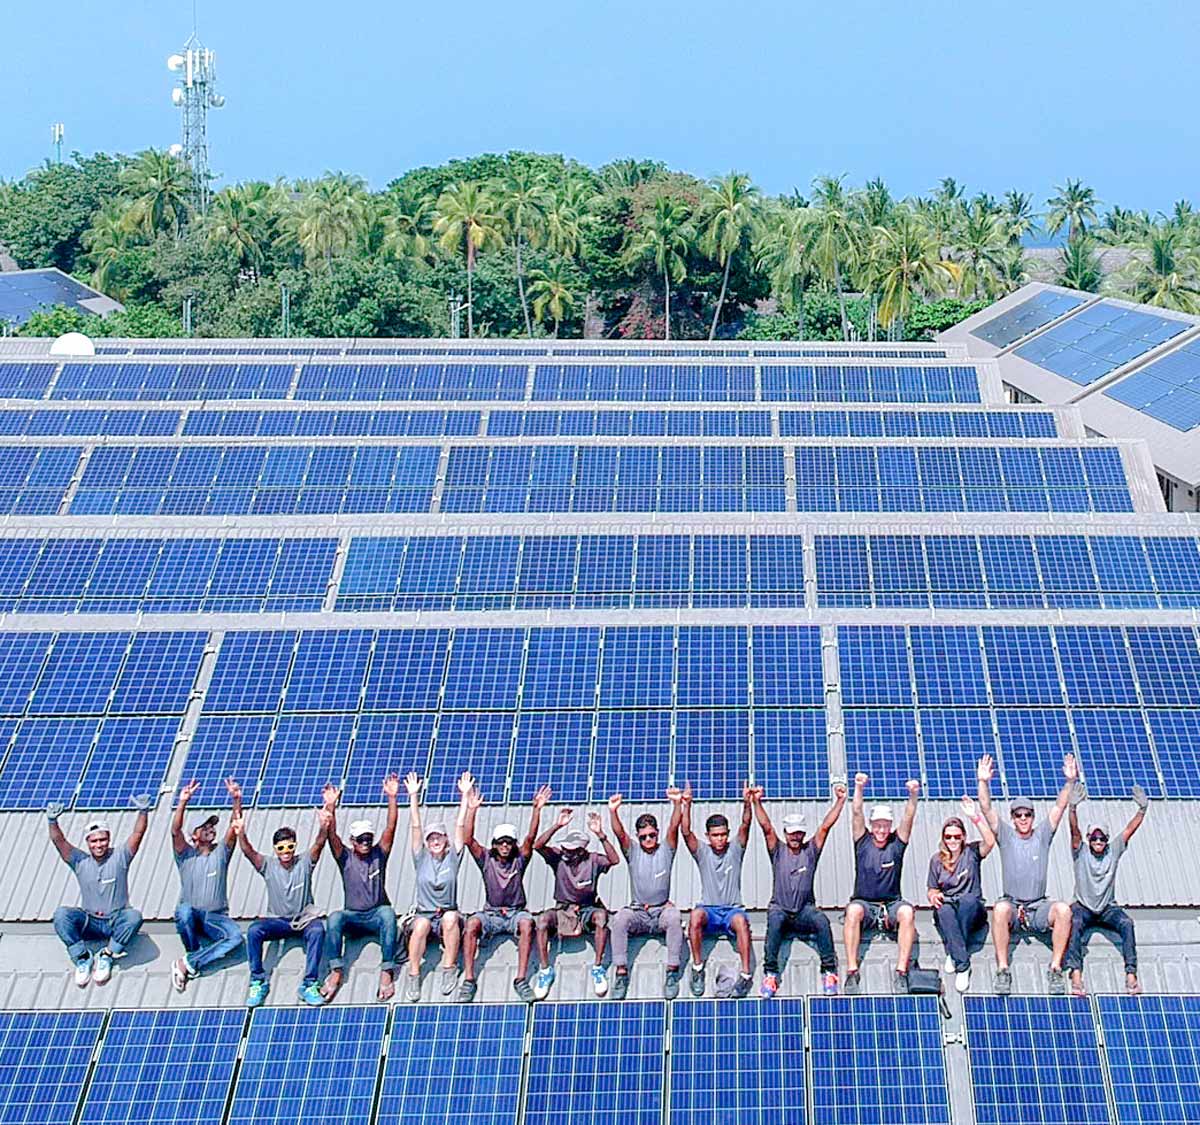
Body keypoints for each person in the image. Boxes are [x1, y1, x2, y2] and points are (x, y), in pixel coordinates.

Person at [978, 752, 1076, 995]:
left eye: (1028, 814)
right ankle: (1002, 969)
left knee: (1064, 910)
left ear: (1033, 817)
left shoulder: (1043, 834)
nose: (1023, 818)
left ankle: (1055, 969)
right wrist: (983, 782)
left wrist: (1070, 782)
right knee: (999, 909)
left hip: (1039, 906)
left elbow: (1060, 806)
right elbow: (986, 808)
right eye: (1018, 815)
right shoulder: (1006, 835)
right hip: (1012, 905)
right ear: (1012, 818)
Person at [236, 792, 331, 1008]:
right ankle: (258, 980)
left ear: (295, 847)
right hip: (278, 921)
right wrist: (240, 832)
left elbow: (319, 843)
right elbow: (247, 851)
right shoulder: (268, 865)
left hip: (304, 920)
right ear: (275, 850)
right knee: (253, 931)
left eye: (290, 847)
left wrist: (325, 823)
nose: (286, 852)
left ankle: (309, 983)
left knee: (318, 930)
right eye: (281, 848)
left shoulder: (305, 862)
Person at [457, 784, 550, 1003]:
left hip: (516, 913)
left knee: (528, 924)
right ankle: (469, 979)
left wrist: (537, 809)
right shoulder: (486, 859)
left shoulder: (520, 860)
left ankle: (520, 979)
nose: (505, 846)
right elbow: (468, 840)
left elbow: (530, 838)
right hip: (491, 913)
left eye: (509, 842)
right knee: (471, 925)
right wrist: (472, 809)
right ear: (495, 844)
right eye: (501, 842)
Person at [753, 783, 846, 999]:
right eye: (791, 834)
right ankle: (770, 973)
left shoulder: (811, 851)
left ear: (803, 834)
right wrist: (756, 801)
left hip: (804, 910)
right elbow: (766, 827)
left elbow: (825, 827)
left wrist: (840, 801)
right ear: (786, 833)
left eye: (798, 834)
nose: (795, 837)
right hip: (781, 909)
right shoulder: (778, 850)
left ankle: (829, 970)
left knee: (822, 921)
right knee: (774, 922)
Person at [48, 794, 149, 987]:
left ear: (109, 839)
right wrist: (52, 821)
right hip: (89, 921)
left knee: (134, 916)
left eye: (102, 840)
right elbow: (59, 841)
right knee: (61, 914)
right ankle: (82, 957)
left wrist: (143, 812)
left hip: (115, 920)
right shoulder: (80, 861)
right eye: (93, 841)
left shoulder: (120, 857)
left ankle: (107, 955)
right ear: (87, 842)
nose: (98, 845)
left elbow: (138, 834)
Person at [319, 777, 400, 1003]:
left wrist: (392, 797)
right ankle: (336, 970)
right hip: (353, 916)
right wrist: (331, 807)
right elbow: (331, 835)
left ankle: (387, 971)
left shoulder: (379, 854)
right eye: (361, 839)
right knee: (334, 917)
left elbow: (391, 827)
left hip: (375, 914)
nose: (365, 843)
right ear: (352, 841)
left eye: (368, 839)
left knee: (388, 914)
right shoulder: (344, 857)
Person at [1065, 782, 1147, 997]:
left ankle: (1131, 975)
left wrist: (1142, 810)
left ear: (1107, 840)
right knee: (1072, 923)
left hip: (1108, 908)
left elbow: (1129, 830)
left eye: (1102, 838)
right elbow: (1074, 831)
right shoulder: (1080, 852)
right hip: (1083, 906)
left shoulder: (1114, 850)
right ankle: (1076, 975)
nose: (1098, 841)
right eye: (1094, 838)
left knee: (1127, 924)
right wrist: (1072, 809)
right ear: (1089, 839)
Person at [401, 769, 473, 1002]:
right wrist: (413, 796)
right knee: (420, 925)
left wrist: (465, 796)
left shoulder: (454, 857)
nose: (435, 841)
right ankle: (414, 973)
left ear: (445, 841)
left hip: (447, 913)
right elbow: (415, 827)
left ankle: (449, 967)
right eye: (431, 838)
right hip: (424, 913)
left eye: (439, 837)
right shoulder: (420, 857)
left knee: (451, 920)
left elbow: (460, 826)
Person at [843, 773, 919, 994]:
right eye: (877, 825)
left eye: (885, 826)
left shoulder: (897, 843)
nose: (881, 830)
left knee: (907, 912)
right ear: (871, 825)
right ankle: (851, 972)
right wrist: (859, 787)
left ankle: (901, 972)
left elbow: (908, 818)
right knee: (852, 911)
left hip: (891, 904)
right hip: (864, 903)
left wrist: (913, 795)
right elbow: (856, 812)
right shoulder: (862, 841)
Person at [532, 807, 618, 1000]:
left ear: (581, 851)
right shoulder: (558, 859)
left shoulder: (593, 860)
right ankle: (545, 970)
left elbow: (614, 860)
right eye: (565, 849)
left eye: (571, 850)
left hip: (587, 910)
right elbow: (537, 846)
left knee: (602, 917)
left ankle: (597, 968)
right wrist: (557, 825)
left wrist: (600, 834)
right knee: (543, 920)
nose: (566, 853)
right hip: (563, 909)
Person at [608, 787, 685, 1000]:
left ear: (657, 833)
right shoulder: (633, 852)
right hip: (639, 912)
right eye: (643, 837)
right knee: (620, 919)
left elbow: (674, 826)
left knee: (674, 917)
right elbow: (619, 834)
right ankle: (621, 972)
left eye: (652, 835)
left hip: (661, 912)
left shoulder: (667, 849)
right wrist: (613, 812)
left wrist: (678, 804)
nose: (648, 839)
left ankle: (672, 971)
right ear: (638, 837)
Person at [170, 778, 244, 992]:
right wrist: (183, 802)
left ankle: (189, 962)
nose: (210, 829)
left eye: (212, 826)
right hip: (192, 915)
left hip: (216, 916)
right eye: (204, 827)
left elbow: (234, 827)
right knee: (183, 911)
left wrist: (236, 799)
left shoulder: (221, 853)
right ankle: (194, 954)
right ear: (194, 835)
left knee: (236, 937)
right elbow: (175, 831)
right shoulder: (185, 855)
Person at [683, 783, 754, 999]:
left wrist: (747, 803)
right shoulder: (703, 852)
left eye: (723, 834)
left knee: (742, 922)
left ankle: (745, 974)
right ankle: (697, 968)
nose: (720, 839)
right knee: (695, 917)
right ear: (708, 835)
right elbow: (685, 832)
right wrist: (686, 805)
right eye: (715, 835)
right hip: (710, 910)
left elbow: (746, 824)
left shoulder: (735, 849)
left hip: (732, 910)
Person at [927, 795, 995, 994]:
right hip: (950, 907)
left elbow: (990, 841)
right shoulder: (936, 860)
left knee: (967, 901)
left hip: (972, 909)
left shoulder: (972, 852)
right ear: (943, 838)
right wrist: (932, 896)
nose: (953, 840)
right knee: (944, 910)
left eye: (957, 836)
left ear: (963, 837)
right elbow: (931, 888)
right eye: (948, 837)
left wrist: (975, 817)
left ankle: (955, 949)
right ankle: (962, 963)